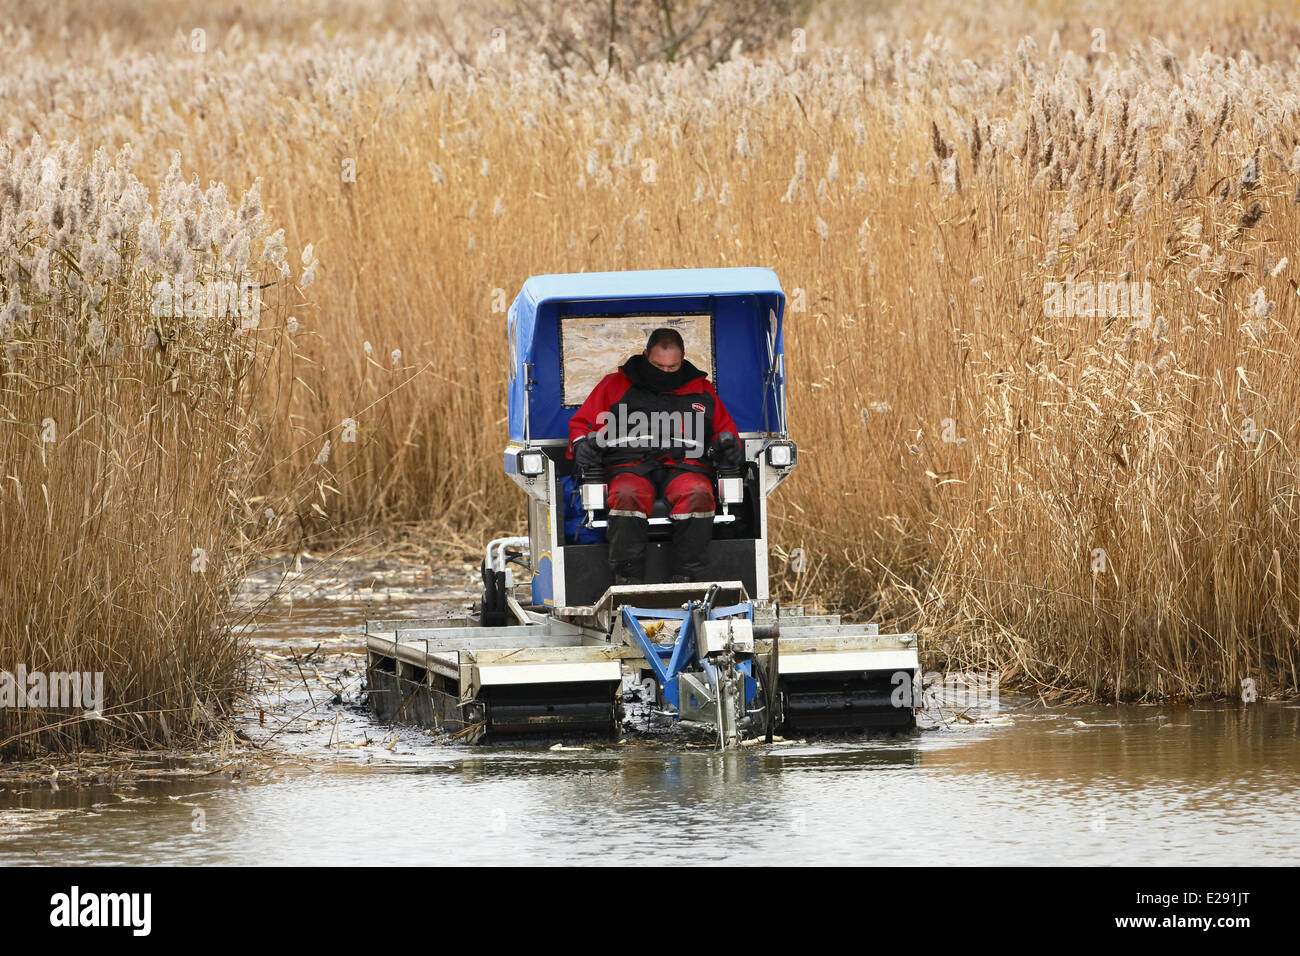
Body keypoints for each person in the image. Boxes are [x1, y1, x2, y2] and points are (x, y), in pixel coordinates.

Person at [568, 327, 743, 584]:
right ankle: (628, 580)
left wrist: (729, 446)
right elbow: (580, 425)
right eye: (658, 366)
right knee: (627, 495)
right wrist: (581, 444)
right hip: (630, 465)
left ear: (683, 358)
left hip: (686, 467)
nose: (665, 372)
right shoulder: (614, 386)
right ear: (645, 355)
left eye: (672, 368)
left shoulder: (702, 391)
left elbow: (726, 431)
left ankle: (686, 577)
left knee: (699, 494)